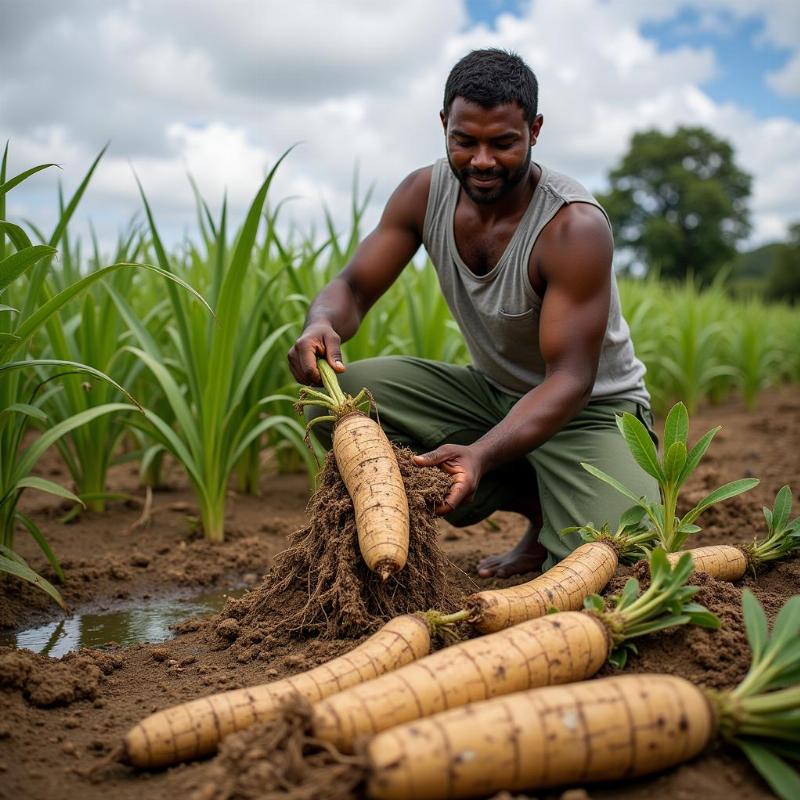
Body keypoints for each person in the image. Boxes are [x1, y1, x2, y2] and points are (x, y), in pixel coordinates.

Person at [288, 48, 659, 578]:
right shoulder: (424, 193)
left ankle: (558, 501)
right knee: (341, 404)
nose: (482, 160)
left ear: (535, 130)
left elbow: (573, 380)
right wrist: (320, 322)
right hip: (494, 396)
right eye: (465, 141)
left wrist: (480, 454)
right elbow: (352, 286)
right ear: (444, 126)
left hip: (591, 413)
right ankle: (536, 505)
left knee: (619, 565)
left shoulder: (572, 227)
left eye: (503, 143)